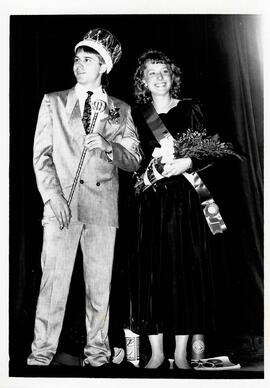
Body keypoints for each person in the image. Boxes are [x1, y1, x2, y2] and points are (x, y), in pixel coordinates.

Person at [27, 28, 141, 368]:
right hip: (61, 207)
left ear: (103, 66)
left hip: (103, 209)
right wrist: (52, 197)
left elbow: (134, 159)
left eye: (88, 60)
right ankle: (39, 357)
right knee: (53, 287)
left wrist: (110, 147)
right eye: (77, 59)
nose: (80, 65)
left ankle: (97, 356)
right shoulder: (53, 100)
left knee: (99, 290)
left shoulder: (121, 109)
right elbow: (41, 156)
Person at [126, 49, 237, 370]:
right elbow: (130, 159)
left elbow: (214, 153)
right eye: (152, 73)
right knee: (151, 276)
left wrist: (189, 161)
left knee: (185, 276)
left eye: (164, 72)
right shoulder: (136, 115)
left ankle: (182, 354)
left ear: (173, 76)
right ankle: (157, 355)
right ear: (143, 81)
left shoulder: (191, 109)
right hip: (149, 204)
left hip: (186, 204)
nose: (159, 78)